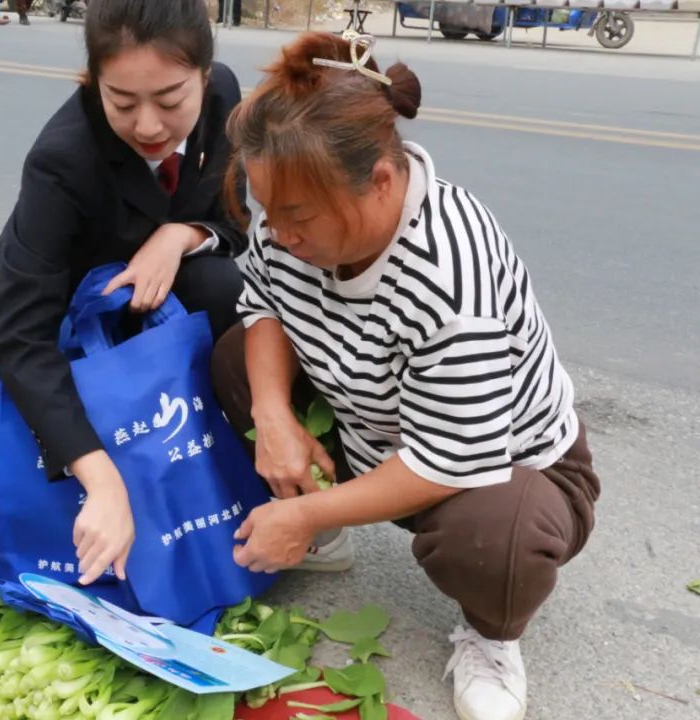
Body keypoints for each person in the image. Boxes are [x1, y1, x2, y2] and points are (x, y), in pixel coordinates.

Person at [212, 31, 599, 720]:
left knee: (495, 537)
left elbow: (452, 459)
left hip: (499, 466)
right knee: (230, 355)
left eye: (296, 218)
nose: (279, 234)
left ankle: (491, 635)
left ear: (381, 183)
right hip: (371, 425)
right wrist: (272, 418)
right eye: (268, 213)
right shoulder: (291, 211)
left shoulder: (449, 270)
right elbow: (262, 305)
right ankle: (324, 534)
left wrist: (299, 509)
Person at [0, 0, 247, 588]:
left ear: (204, 73)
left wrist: (181, 234)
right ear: (93, 82)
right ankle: (112, 457)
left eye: (171, 100)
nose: (148, 126)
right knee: (89, 463)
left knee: (227, 287)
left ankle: (214, 464)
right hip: (58, 326)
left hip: (152, 305)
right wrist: (100, 479)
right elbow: (19, 334)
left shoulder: (224, 98)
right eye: (121, 102)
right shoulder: (62, 160)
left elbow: (235, 224)